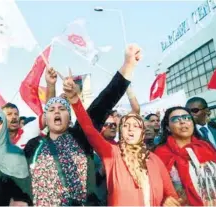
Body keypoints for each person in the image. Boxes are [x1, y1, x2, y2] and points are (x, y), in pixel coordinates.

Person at [24, 44, 142, 206]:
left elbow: (104, 101)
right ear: (45, 117)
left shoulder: (80, 136)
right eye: (51, 110)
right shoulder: (33, 146)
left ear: (70, 116)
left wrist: (128, 65)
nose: (57, 112)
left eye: (62, 109)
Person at [63, 69, 180, 206]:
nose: (130, 129)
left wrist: (168, 200)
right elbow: (89, 130)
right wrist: (75, 101)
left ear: (142, 132)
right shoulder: (112, 153)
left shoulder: (154, 160)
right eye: (126, 125)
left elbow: (171, 194)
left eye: (136, 126)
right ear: (121, 131)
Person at [154, 106, 216, 206]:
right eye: (176, 119)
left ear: (192, 123)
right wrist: (164, 199)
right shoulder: (159, 154)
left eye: (187, 118)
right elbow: (154, 186)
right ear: (168, 127)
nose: (183, 121)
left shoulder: (206, 146)